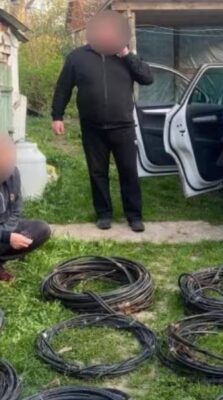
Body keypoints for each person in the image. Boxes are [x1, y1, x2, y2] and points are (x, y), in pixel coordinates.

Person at [51, 11, 153, 232]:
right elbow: (63, 88)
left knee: (128, 172)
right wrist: (57, 116)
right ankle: (104, 214)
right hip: (92, 127)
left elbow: (147, 78)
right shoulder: (77, 57)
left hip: (123, 126)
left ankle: (134, 216)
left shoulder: (126, 55)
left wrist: (126, 54)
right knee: (97, 173)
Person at [0, 135, 51, 282]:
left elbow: (16, 208)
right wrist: (7, 237)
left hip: (5, 228)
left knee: (41, 229)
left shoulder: (13, 173)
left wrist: (8, 232)